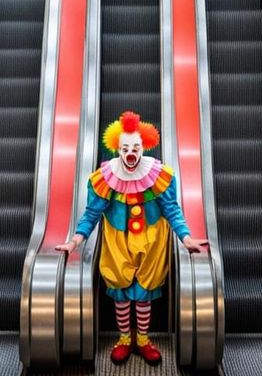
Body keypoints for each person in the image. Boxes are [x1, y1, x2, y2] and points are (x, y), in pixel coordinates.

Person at [57, 110, 206, 366]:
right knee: (122, 293)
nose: (130, 153)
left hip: (151, 240)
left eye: (135, 147)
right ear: (117, 148)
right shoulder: (105, 178)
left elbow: (171, 209)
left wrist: (186, 238)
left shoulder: (158, 175)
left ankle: (143, 340)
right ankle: (125, 339)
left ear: (144, 147)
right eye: (125, 148)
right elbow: (92, 213)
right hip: (118, 242)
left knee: (144, 292)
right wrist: (75, 241)